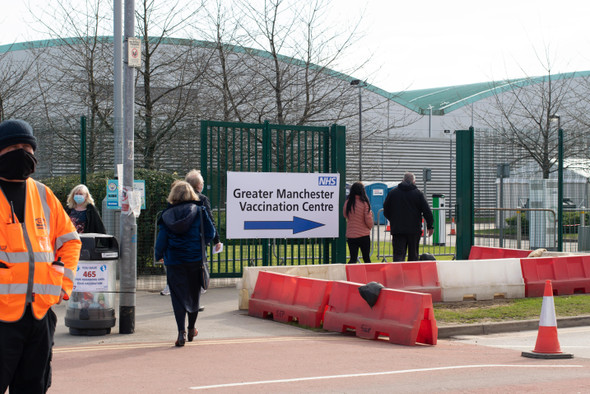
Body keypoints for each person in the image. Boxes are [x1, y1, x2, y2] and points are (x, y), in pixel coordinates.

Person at [0, 119, 82, 393]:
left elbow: (70, 241)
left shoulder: (44, 194)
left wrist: (63, 283)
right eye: (13, 147)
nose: (22, 152)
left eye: (27, 146)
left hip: (39, 316)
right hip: (1, 318)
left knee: (34, 387)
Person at [155, 180, 215, 347]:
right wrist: (200, 244)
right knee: (194, 295)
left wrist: (159, 254)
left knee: (178, 297)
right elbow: (210, 233)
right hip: (195, 259)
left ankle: (180, 331)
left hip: (174, 261)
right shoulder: (200, 211)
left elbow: (161, 240)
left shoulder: (166, 215)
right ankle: (191, 328)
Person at [383, 172, 434, 262]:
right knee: (413, 255)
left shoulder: (393, 193)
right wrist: (430, 226)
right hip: (414, 230)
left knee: (398, 254)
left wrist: (394, 220)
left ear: (403, 180)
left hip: (398, 229)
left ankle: (398, 274)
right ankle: (412, 274)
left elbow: (386, 210)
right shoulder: (418, 194)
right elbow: (427, 211)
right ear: (414, 181)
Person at [343, 182, 373, 264]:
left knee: (353, 258)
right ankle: (368, 275)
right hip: (364, 235)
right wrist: (370, 226)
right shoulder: (364, 203)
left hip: (351, 235)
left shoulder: (348, 202)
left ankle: (351, 275)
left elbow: (345, 214)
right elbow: (368, 219)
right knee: (366, 258)